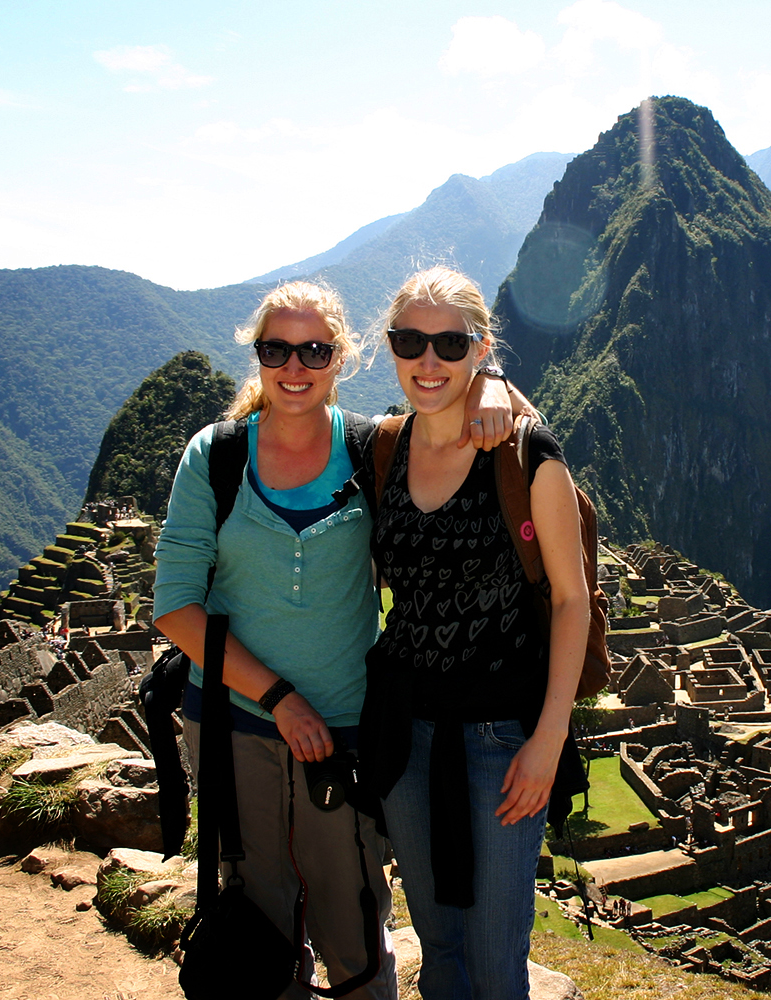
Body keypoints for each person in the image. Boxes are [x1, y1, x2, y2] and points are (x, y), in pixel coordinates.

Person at [152, 279, 514, 1000]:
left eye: (314, 350)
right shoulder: (216, 457)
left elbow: (454, 401)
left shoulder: (372, 449)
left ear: (341, 358)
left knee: (352, 913)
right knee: (257, 909)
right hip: (235, 723)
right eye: (276, 350)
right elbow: (174, 607)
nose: (295, 366)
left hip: (349, 728)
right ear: (256, 358)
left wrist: (497, 381)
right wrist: (280, 698)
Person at [358, 267, 588, 1000]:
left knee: (494, 961)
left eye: (450, 344)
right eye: (410, 341)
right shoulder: (382, 451)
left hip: (500, 740)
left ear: (480, 348)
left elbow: (570, 602)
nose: (429, 362)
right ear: (389, 347)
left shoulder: (524, 456)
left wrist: (548, 740)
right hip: (406, 731)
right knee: (440, 945)